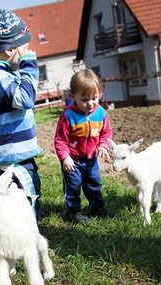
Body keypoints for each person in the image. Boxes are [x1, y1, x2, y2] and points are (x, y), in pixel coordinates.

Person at [0, 9, 43, 221]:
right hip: (14, 160)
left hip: (15, 157)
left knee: (19, 204)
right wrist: (29, 63)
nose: (29, 51)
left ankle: (21, 240)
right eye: (25, 48)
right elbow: (25, 99)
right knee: (25, 204)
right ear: (11, 50)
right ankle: (27, 244)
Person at [54, 69, 113, 224]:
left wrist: (103, 146)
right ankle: (73, 211)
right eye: (85, 99)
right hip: (72, 160)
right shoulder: (68, 116)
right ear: (73, 97)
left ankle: (97, 207)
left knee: (94, 183)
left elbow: (106, 132)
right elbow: (60, 140)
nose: (91, 103)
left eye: (94, 98)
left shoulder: (100, 113)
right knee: (73, 186)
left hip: (90, 158)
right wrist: (65, 158)